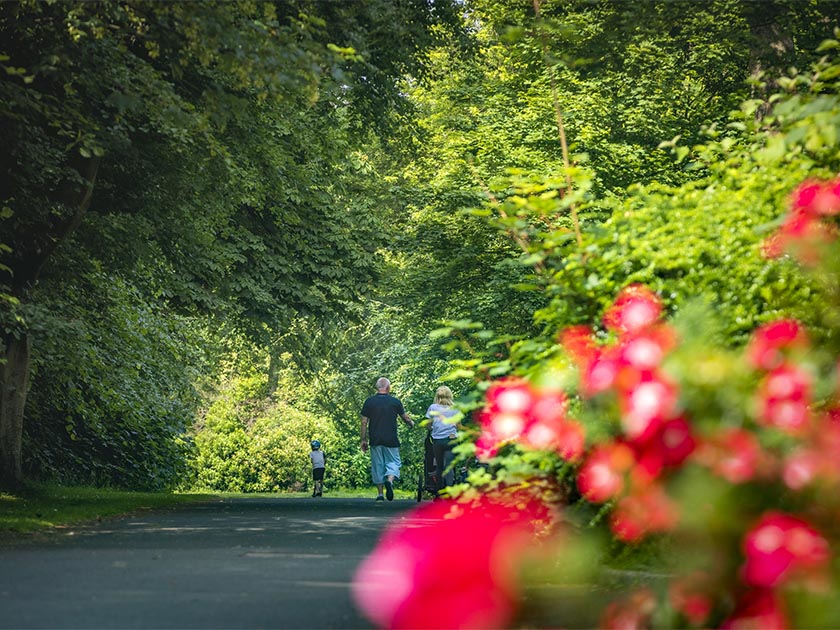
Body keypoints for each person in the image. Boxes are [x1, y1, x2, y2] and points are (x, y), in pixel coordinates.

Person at [360, 377, 414, 501]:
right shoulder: (395, 402)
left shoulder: (369, 402)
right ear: (388, 388)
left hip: (375, 439)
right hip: (391, 439)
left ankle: (380, 494)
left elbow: (364, 422)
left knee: (378, 465)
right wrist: (411, 424)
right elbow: (405, 418)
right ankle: (389, 480)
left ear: (377, 388)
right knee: (394, 462)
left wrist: (363, 439)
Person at [425, 385, 461, 496]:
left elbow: (428, 424)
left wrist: (431, 428)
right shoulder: (455, 408)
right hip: (451, 439)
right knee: (449, 465)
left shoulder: (433, 407)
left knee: (439, 466)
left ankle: (439, 491)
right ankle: (450, 489)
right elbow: (459, 426)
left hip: (438, 441)